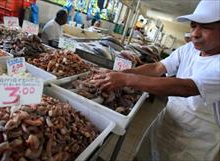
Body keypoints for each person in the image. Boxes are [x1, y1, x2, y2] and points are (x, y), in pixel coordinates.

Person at [91, 0, 220, 161]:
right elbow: (158, 67)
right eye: (193, 26)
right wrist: (121, 73)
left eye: (206, 27)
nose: (195, 33)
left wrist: (125, 79)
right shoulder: (190, 49)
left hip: (194, 142)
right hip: (167, 122)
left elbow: (186, 87)